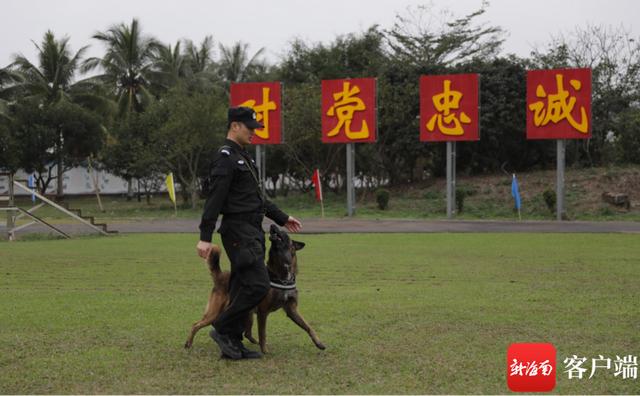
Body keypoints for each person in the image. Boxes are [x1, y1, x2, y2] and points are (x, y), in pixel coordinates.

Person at [196, 106, 302, 360]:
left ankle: (232, 342)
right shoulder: (225, 158)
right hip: (237, 232)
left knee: (242, 286)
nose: (254, 133)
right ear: (235, 126)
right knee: (258, 285)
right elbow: (215, 199)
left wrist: (282, 217)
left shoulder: (245, 157)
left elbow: (258, 199)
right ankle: (222, 328)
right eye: (250, 128)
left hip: (253, 231)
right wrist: (205, 237)